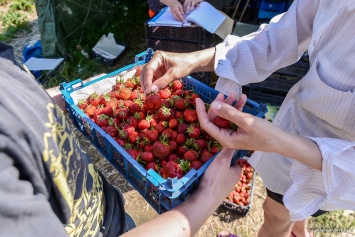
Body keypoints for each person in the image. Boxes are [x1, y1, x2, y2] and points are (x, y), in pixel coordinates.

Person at [139, 0, 355, 236]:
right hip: (299, 124)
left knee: (276, 216)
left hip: (336, 166)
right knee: (289, 209)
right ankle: (298, 230)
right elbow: (281, 36)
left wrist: (278, 141)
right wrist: (196, 59)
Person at [0, 45, 243, 237]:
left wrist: (58, 100)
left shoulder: (4, 58)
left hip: (107, 209)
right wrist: (208, 196)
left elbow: (18, 102)